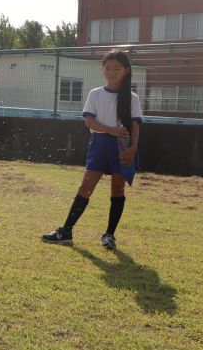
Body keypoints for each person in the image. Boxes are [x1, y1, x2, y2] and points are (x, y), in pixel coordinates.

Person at [42, 50, 141, 250]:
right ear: (102, 69)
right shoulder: (95, 93)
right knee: (85, 188)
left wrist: (133, 148)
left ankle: (109, 235)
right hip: (99, 145)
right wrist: (111, 130)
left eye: (117, 69)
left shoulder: (132, 98)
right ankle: (66, 231)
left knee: (117, 189)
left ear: (126, 71)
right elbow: (89, 121)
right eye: (108, 68)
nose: (112, 72)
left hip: (122, 148)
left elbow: (136, 124)